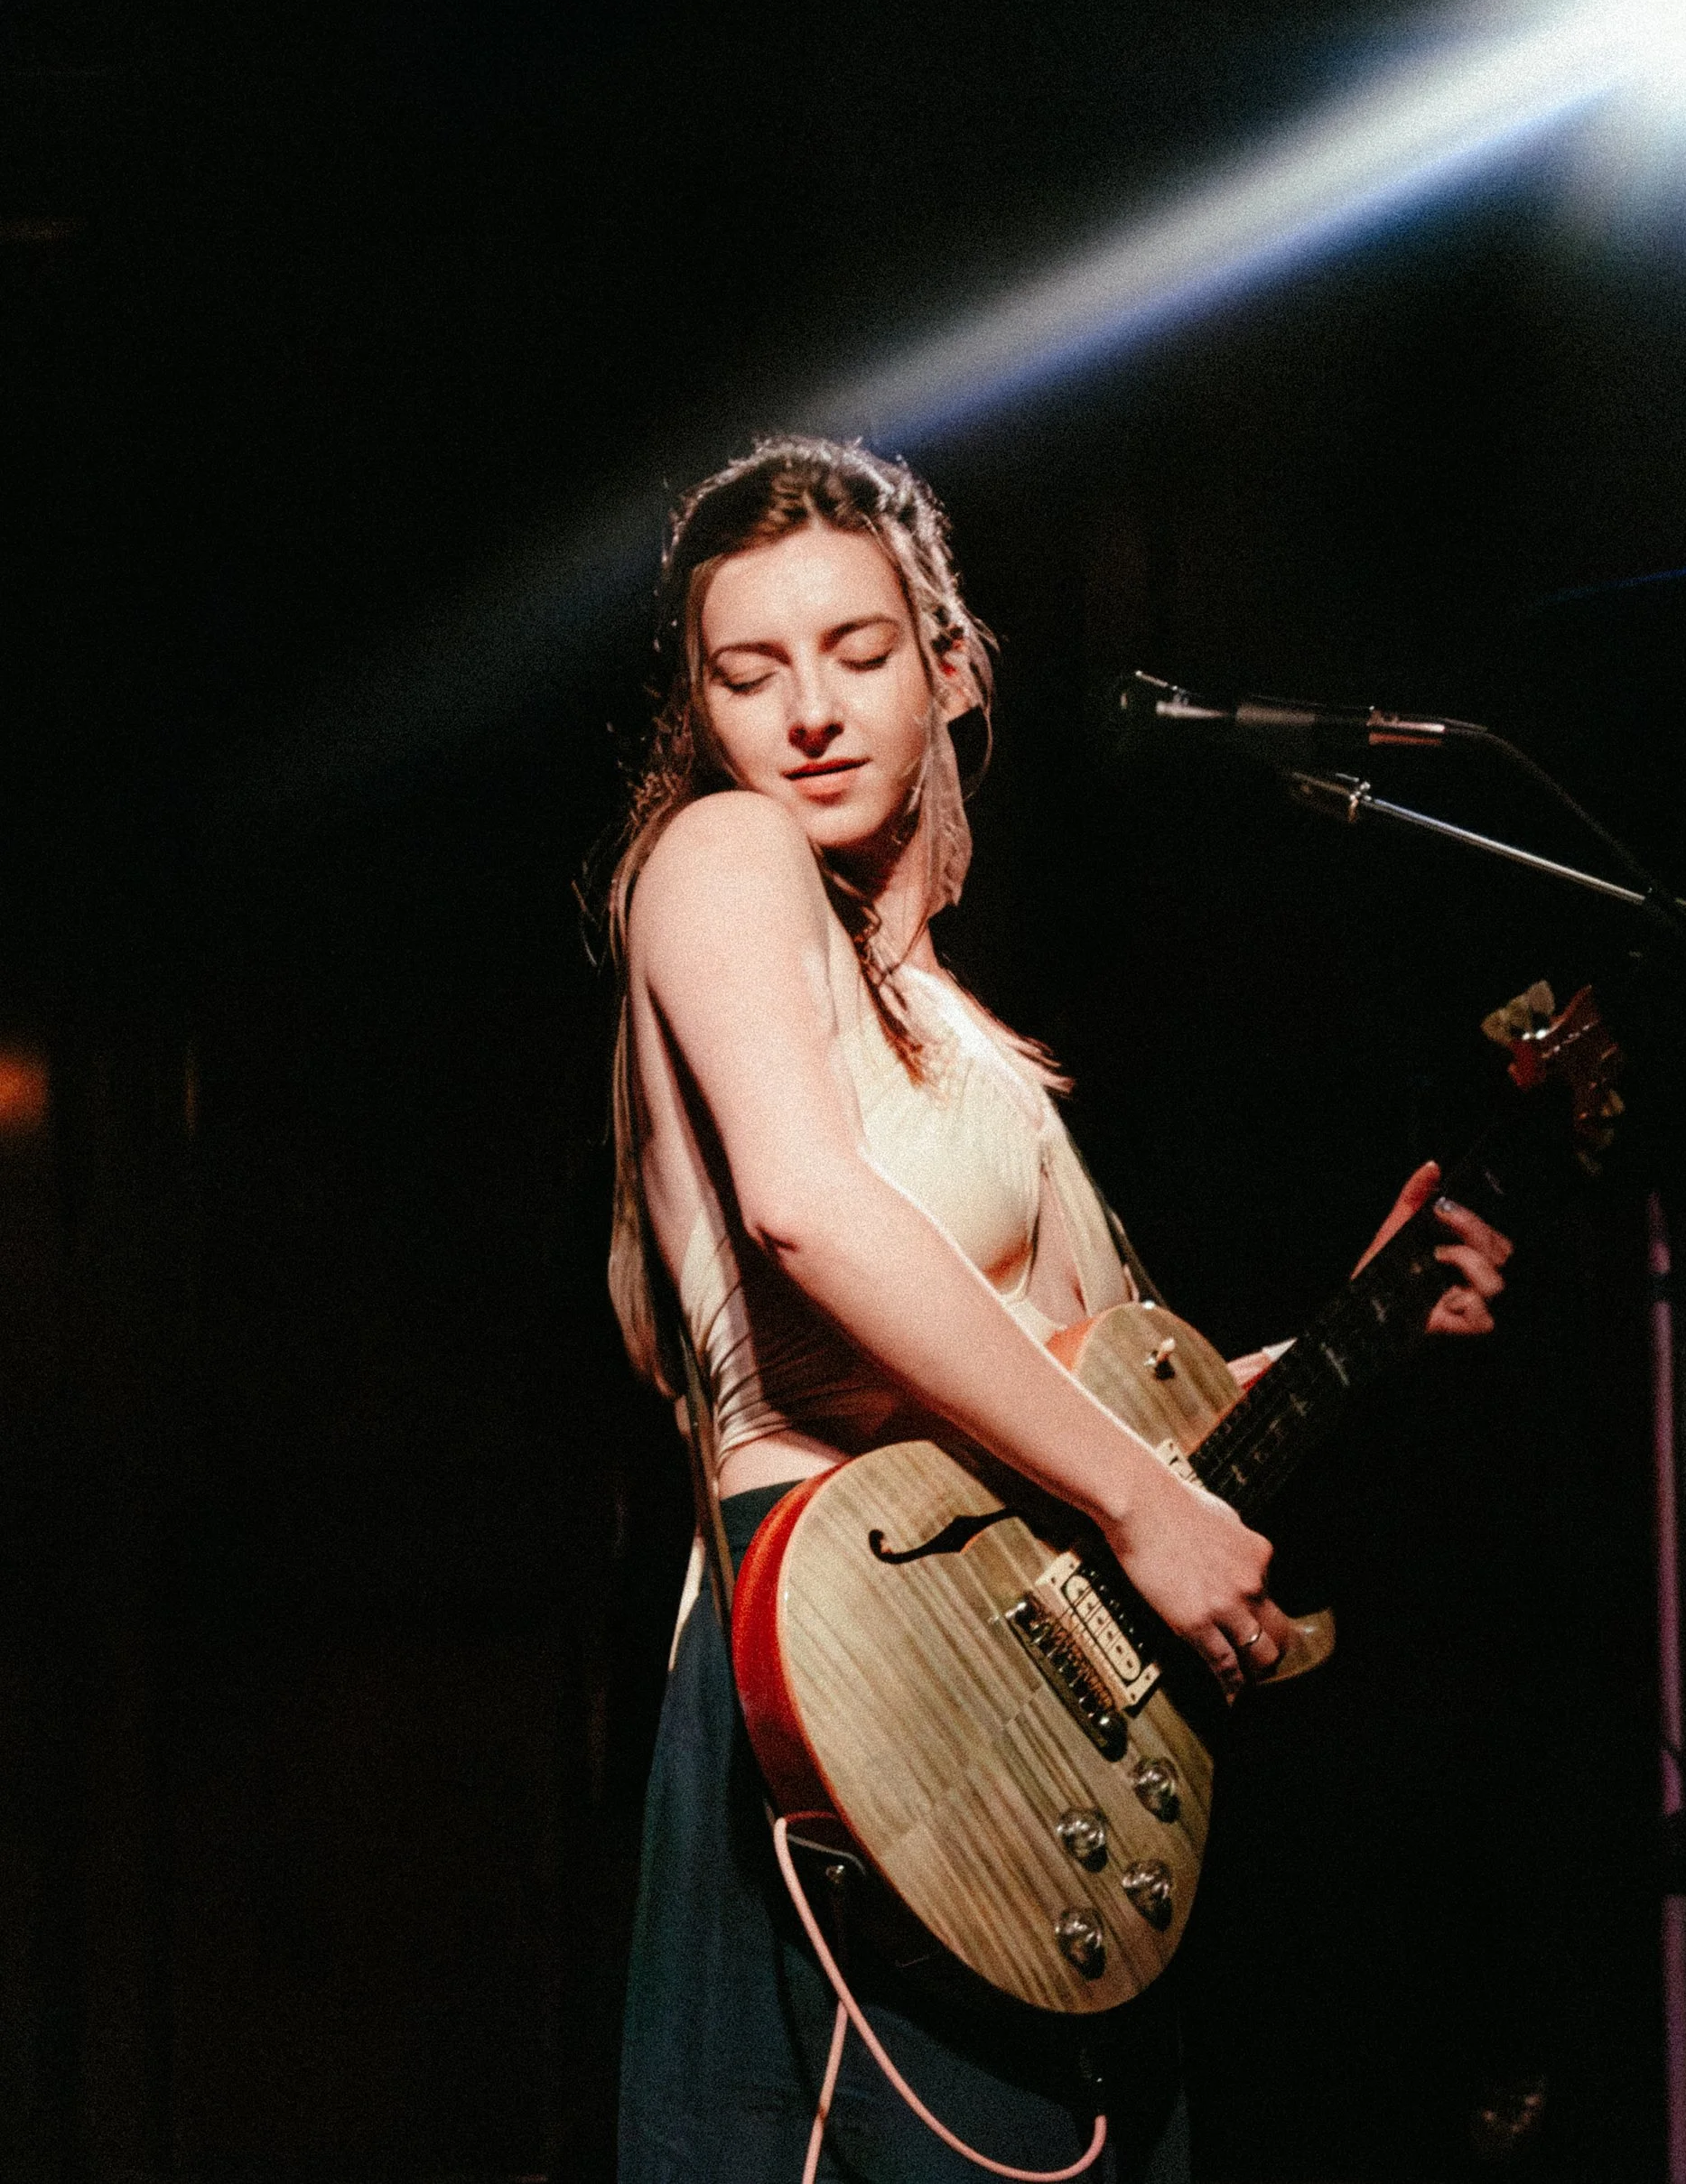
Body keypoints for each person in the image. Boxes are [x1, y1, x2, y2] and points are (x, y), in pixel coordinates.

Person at [603, 435, 1512, 2184]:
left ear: (951, 664)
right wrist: (1142, 1495)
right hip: (843, 1687)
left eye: (857, 651)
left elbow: (1086, 1407)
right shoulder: (719, 856)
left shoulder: (959, 1029)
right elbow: (803, 1208)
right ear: (701, 711)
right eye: (748, 670)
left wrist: (1354, 1323)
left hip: (1012, 1729)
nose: (805, 710)